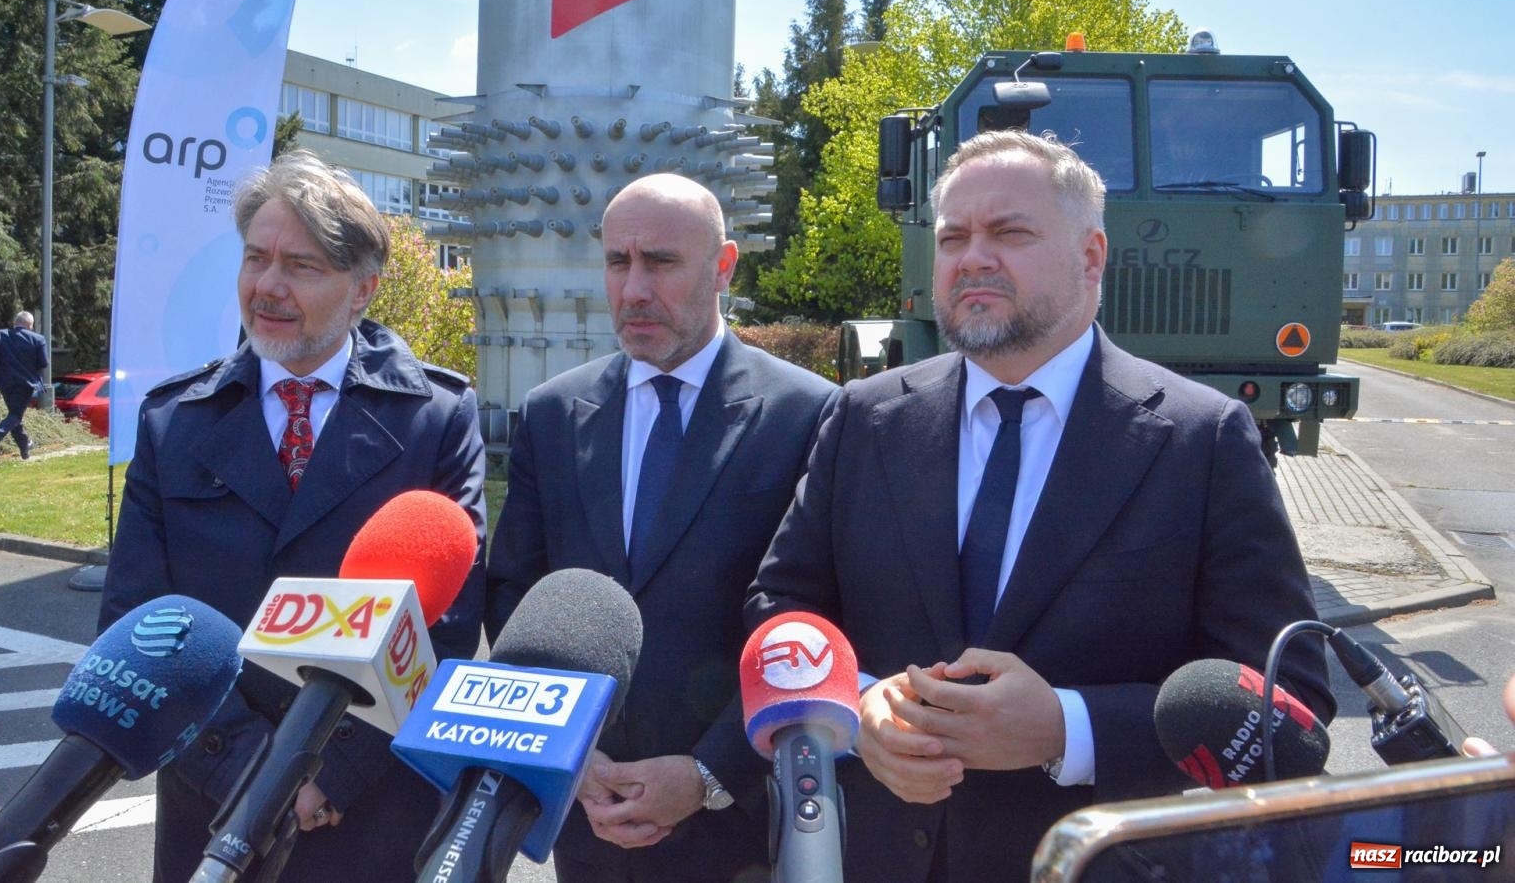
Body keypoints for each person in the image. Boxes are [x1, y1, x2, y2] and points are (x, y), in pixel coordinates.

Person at [746, 130, 1336, 882]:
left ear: (1092, 257)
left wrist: (1069, 728)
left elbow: (1292, 707)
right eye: (953, 236)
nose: (973, 257)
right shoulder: (865, 416)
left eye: (1010, 232)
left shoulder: (1200, 440)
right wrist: (855, 711)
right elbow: (783, 604)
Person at [98, 150, 486, 882]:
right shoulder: (174, 421)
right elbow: (137, 622)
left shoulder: (435, 418)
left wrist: (328, 772)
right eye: (256, 259)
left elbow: (446, 629)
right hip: (211, 801)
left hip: (367, 807)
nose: (268, 287)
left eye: (302, 267)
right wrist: (248, 771)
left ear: (363, 288)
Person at [487, 173, 837, 883]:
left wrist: (708, 772)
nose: (634, 288)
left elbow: (820, 616)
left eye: (662, 263)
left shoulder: (810, 413)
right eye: (618, 261)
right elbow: (514, 596)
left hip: (738, 830)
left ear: (724, 266)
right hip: (590, 820)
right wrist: (571, 755)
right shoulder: (553, 414)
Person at [0, 310, 48, 460]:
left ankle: (25, 447)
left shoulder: (0, 335)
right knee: (16, 414)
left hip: (4, 381)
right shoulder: (38, 339)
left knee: (14, 415)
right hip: (25, 383)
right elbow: (43, 363)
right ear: (29, 324)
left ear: (16, 323)